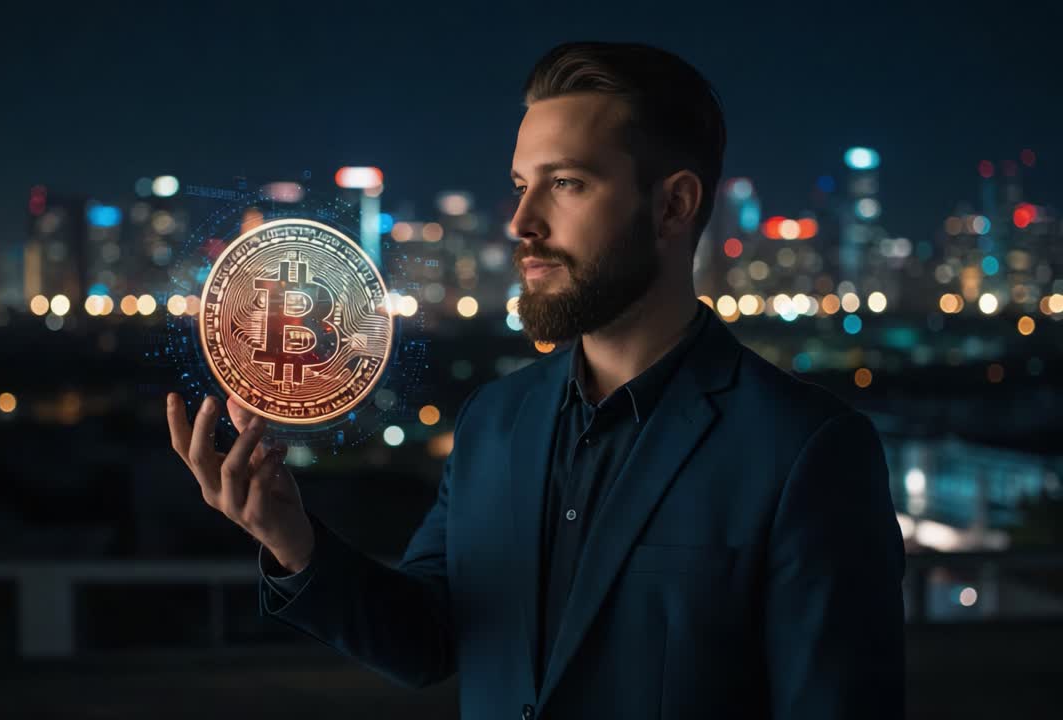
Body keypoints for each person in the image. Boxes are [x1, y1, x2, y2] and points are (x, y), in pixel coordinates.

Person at [167, 40, 905, 719]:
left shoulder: (805, 450)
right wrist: (293, 539)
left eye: (567, 184)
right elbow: (428, 638)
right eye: (521, 184)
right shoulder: (496, 420)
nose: (522, 220)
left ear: (674, 205)